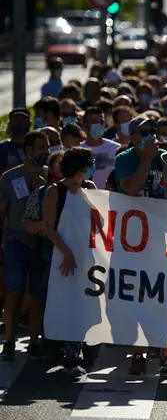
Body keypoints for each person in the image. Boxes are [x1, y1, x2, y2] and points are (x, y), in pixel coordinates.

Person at [114, 116, 167, 375]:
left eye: (152, 131)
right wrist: (146, 160)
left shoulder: (165, 157)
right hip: (133, 241)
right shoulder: (124, 159)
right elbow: (131, 190)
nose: (150, 136)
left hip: (160, 240)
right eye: (144, 132)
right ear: (132, 137)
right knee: (138, 297)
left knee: (164, 296)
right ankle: (138, 353)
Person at [31, 148, 96, 379]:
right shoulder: (54, 191)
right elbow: (50, 228)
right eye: (89, 164)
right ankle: (68, 353)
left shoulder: (90, 188)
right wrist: (66, 253)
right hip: (60, 256)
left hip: (86, 256)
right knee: (65, 301)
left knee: (83, 302)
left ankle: (78, 348)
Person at [0, 130, 50, 360]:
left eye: (47, 147)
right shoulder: (10, 178)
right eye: (41, 147)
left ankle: (34, 342)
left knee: (37, 295)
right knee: (15, 292)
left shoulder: (50, 175)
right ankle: (9, 342)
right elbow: (2, 212)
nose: (45, 152)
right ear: (29, 150)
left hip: (40, 244)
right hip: (16, 242)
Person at [79, 107, 121, 189]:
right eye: (94, 121)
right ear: (84, 124)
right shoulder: (78, 150)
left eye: (101, 122)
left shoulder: (116, 148)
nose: (99, 125)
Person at [0, 108, 32, 173]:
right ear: (9, 124)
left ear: (29, 124)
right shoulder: (2, 148)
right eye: (16, 120)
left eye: (23, 120)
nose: (20, 124)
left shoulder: (35, 145)